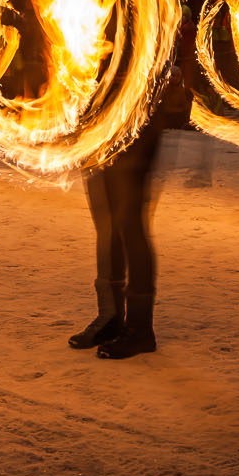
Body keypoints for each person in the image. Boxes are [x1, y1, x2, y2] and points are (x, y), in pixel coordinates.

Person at [71, 103, 171, 359]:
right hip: (98, 115)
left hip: (136, 115)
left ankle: (140, 329)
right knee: (105, 220)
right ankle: (110, 315)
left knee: (129, 222)